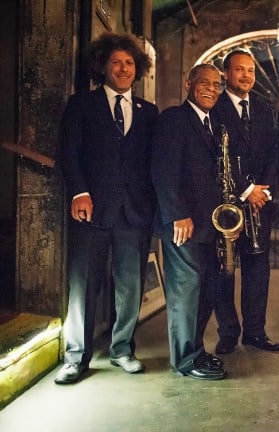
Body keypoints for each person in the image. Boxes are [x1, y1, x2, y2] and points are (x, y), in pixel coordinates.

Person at [56, 33, 158, 384]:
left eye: (129, 62)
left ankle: (122, 350)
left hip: (134, 215)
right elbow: (69, 153)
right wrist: (79, 192)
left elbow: (153, 165)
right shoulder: (82, 104)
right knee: (84, 284)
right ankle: (75, 357)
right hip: (92, 211)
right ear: (103, 66)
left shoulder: (149, 112)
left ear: (138, 68)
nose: (123, 68)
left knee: (130, 286)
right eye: (116, 62)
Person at [151, 64, 228, 380]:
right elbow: (163, 169)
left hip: (208, 225)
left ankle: (195, 350)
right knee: (188, 288)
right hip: (183, 223)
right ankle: (184, 360)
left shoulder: (213, 124)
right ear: (188, 83)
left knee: (207, 287)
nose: (211, 88)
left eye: (216, 84)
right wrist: (177, 214)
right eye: (204, 82)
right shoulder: (173, 118)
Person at [206, 49, 279, 355]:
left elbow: (274, 155)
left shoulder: (265, 110)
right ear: (226, 74)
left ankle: (255, 332)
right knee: (225, 270)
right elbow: (213, 156)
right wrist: (245, 190)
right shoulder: (214, 107)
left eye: (250, 70)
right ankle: (228, 333)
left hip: (259, 203)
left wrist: (263, 192)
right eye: (240, 70)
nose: (247, 76)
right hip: (225, 203)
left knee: (258, 270)